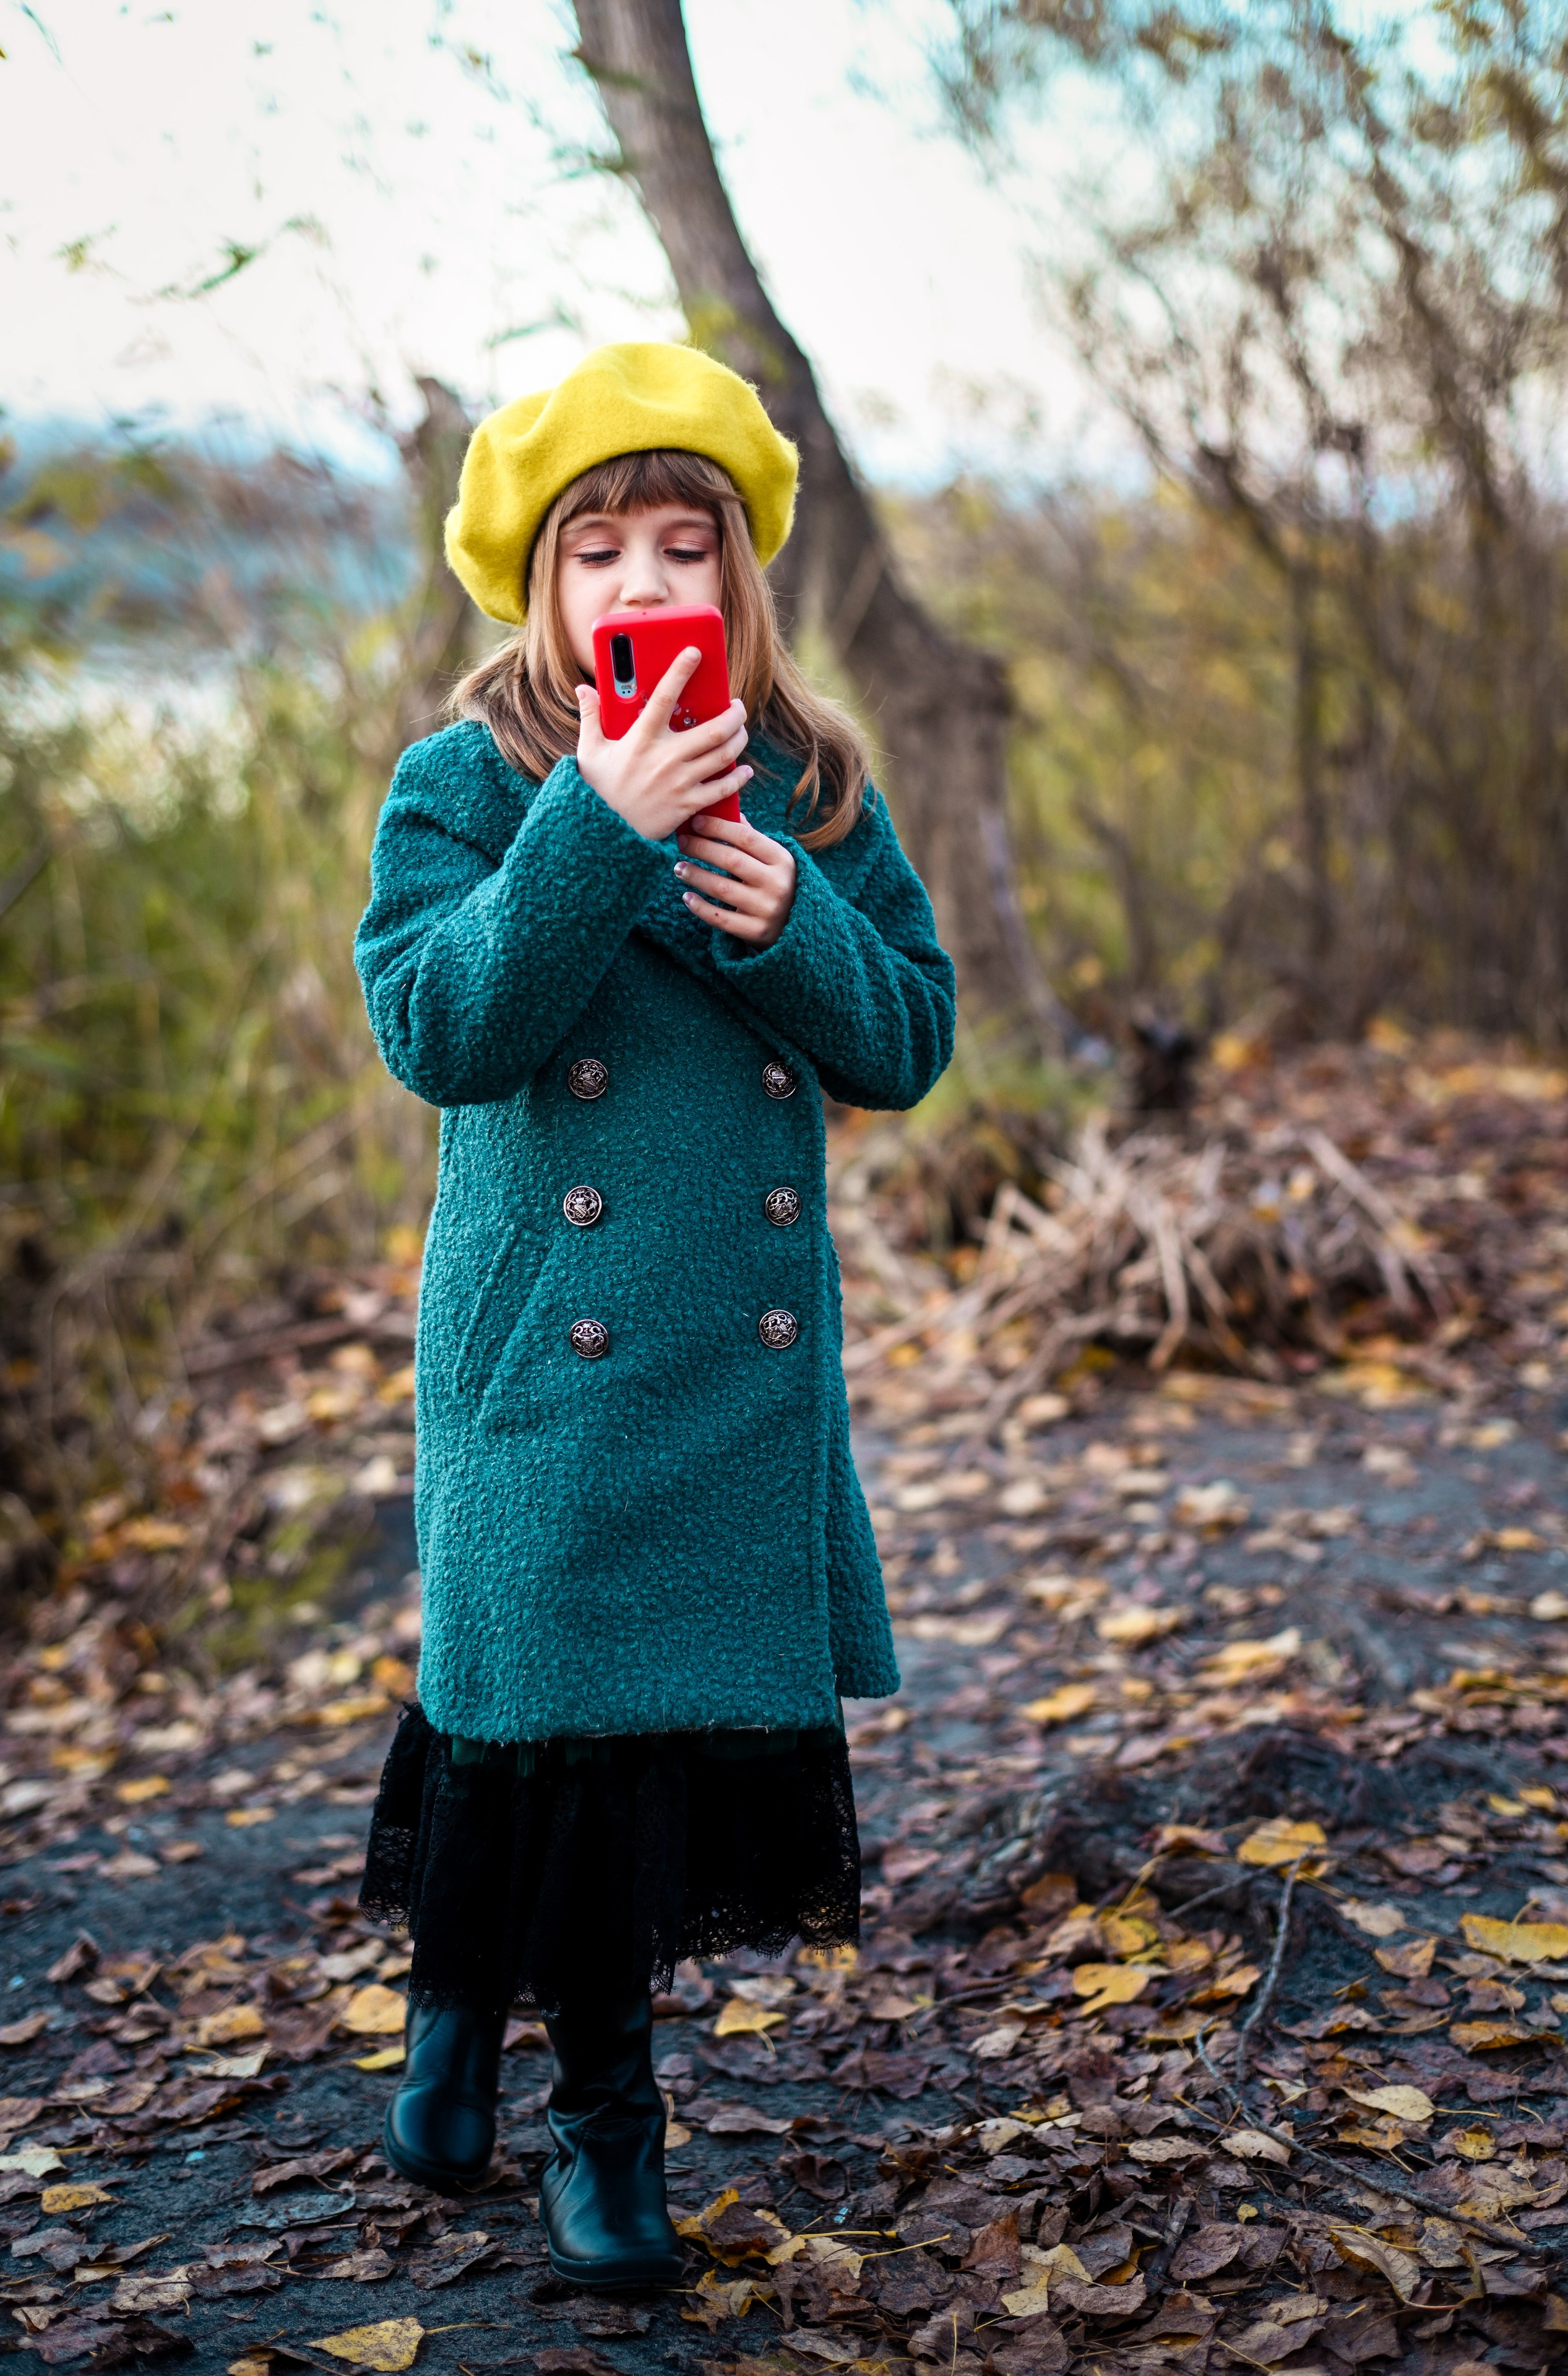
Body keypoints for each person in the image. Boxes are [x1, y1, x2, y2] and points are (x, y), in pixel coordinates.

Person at [353, 342, 955, 2287]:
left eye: (682, 547)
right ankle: (572, 2102)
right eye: (597, 549)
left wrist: (792, 917)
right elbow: (444, 1031)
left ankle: (524, 2071)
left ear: (738, 575)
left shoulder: (815, 784)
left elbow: (909, 1043)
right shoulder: (465, 784)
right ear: (542, 582)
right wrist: (593, 827)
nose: (642, 583)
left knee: (606, 1743)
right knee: (532, 1717)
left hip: (730, 1356)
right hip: (545, 1349)